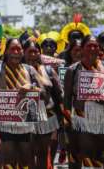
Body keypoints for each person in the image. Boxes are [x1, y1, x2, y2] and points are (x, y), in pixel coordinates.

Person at [0, 38, 48, 168]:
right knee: (8, 159)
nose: (16, 52)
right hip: (5, 123)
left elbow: (44, 94)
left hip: (26, 122)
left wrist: (31, 87)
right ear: (6, 52)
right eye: (13, 49)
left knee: (26, 159)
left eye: (19, 49)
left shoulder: (29, 70)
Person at [63, 35, 104, 169]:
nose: (93, 49)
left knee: (100, 158)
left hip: (102, 122)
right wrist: (67, 126)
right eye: (89, 46)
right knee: (80, 157)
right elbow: (66, 100)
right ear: (82, 49)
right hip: (80, 122)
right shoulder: (73, 70)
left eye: (95, 46)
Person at [22, 40, 64, 169]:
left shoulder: (48, 70)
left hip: (47, 117)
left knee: (43, 153)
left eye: (36, 52)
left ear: (40, 54)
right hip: (24, 118)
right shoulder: (17, 70)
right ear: (24, 53)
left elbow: (59, 95)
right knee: (28, 154)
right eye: (30, 52)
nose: (33, 55)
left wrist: (64, 118)